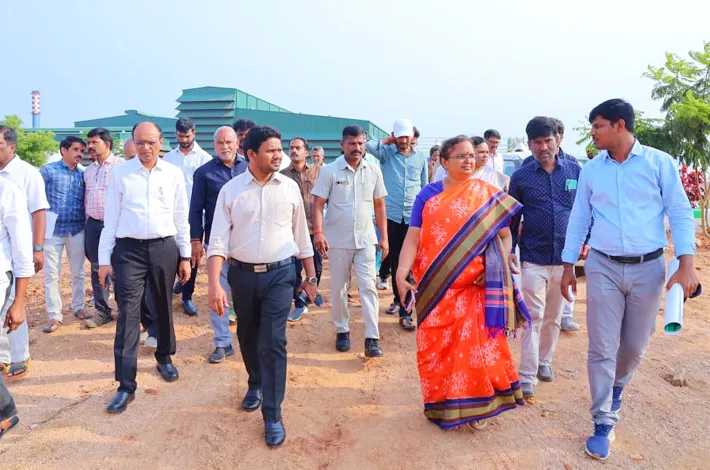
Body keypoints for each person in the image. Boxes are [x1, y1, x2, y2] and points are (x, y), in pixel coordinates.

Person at [561, 99, 699, 460]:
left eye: (598, 126)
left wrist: (687, 264)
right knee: (601, 347)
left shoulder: (659, 163)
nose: (592, 133)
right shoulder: (592, 170)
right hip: (602, 267)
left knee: (636, 346)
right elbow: (579, 218)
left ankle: (617, 387)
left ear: (619, 126)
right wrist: (567, 265)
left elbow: (680, 212)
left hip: (648, 268)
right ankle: (603, 420)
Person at [395, 135, 529, 430]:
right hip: (437, 286)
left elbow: (505, 237)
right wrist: (401, 271)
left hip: (475, 287)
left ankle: (477, 406)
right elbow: (414, 237)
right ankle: (441, 404)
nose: (469, 160)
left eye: (471, 155)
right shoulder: (427, 195)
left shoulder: (487, 195)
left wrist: (495, 268)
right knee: (436, 348)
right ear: (444, 162)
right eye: (461, 156)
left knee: (475, 350)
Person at [207, 125, 317, 448]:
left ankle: (273, 413)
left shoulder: (289, 188)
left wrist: (310, 278)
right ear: (251, 154)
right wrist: (214, 284)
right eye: (271, 150)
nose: (279, 155)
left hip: (281, 275)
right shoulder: (231, 191)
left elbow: (302, 237)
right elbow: (217, 241)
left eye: (279, 149)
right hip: (241, 275)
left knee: (273, 341)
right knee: (247, 334)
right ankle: (255, 381)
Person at [98, 122, 191, 414]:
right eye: (140, 142)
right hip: (129, 250)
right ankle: (126, 385)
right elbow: (111, 219)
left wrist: (185, 256)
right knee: (128, 312)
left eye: (151, 142)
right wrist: (104, 260)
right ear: (133, 143)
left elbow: (181, 216)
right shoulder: (121, 174)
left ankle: (164, 357)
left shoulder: (173, 173)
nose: (146, 148)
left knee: (163, 304)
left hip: (164, 247)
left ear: (161, 142)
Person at [508, 117, 581, 399]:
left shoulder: (575, 172)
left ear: (558, 140)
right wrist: (511, 249)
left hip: (565, 260)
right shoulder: (521, 177)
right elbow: (512, 219)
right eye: (537, 142)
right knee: (532, 316)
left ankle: (544, 361)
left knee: (553, 316)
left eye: (548, 141)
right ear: (529, 144)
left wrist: (586, 242)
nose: (543, 147)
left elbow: (585, 211)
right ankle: (527, 375)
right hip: (533, 258)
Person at [312, 125, 388, 356]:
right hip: (338, 240)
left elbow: (379, 205)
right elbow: (318, 204)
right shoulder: (330, 171)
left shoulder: (373, 170)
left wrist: (384, 237)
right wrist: (318, 232)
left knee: (369, 287)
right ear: (342, 144)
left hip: (366, 239)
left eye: (361, 143)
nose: (357, 147)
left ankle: (372, 338)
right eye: (352, 143)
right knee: (339, 288)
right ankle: (342, 330)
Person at [190, 126, 248, 363]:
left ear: (237, 143)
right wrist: (195, 240)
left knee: (246, 293)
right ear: (214, 146)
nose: (225, 147)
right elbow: (196, 209)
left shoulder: (249, 167)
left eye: (229, 142)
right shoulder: (204, 173)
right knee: (218, 291)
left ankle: (250, 340)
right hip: (217, 242)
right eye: (220, 143)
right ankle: (223, 342)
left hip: (247, 240)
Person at [366, 119, 427, 330]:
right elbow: (368, 146)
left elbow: (424, 186)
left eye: (406, 136)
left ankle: (404, 307)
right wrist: (388, 140)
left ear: (412, 137)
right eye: (399, 137)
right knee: (395, 263)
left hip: (413, 217)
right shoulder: (386, 153)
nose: (403, 140)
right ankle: (403, 306)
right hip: (391, 215)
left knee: (410, 264)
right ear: (394, 136)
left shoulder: (420, 158)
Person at [0, 126, 48, 381]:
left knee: (14, 303)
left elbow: (38, 212)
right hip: (5, 250)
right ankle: (4, 357)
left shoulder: (27, 174)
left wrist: (37, 249)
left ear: (11, 146)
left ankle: (19, 355)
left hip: (18, 250)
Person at [163, 117, 213, 316]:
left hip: (195, 216)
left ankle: (187, 296)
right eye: (180, 136)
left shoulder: (204, 159)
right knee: (171, 251)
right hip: (171, 214)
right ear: (176, 134)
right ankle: (175, 283)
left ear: (194, 133)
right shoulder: (168, 159)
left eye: (187, 136)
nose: (184, 140)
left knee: (192, 255)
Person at [40, 136, 87, 333]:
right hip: (52, 231)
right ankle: (54, 315)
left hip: (76, 229)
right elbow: (35, 199)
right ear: (63, 150)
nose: (79, 154)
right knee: (51, 274)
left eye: (82, 151)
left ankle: (78, 307)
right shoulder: (47, 171)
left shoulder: (84, 174)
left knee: (78, 272)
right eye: (75, 149)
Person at [0, 179, 34, 439]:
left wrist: (19, 301)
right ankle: (5, 411)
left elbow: (22, 249)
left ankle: (4, 413)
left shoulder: (7, 190)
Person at [83, 128, 125, 328]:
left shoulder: (121, 167)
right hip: (93, 225)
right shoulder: (88, 171)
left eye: (94, 142)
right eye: (89, 142)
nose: (90, 146)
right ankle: (102, 311)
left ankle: (125, 310)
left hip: (116, 226)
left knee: (120, 267)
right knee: (96, 268)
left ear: (107, 144)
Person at [280, 137, 322, 322]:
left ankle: (309, 293)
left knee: (316, 267)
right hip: (292, 231)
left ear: (306, 152)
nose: (294, 151)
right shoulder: (282, 175)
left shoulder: (319, 172)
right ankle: (299, 303)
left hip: (315, 229)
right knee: (294, 268)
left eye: (298, 148)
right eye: (291, 148)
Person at [433, 137, 509, 190]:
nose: (468, 160)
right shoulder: (434, 188)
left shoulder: (493, 175)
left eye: (487, 152)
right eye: (481, 152)